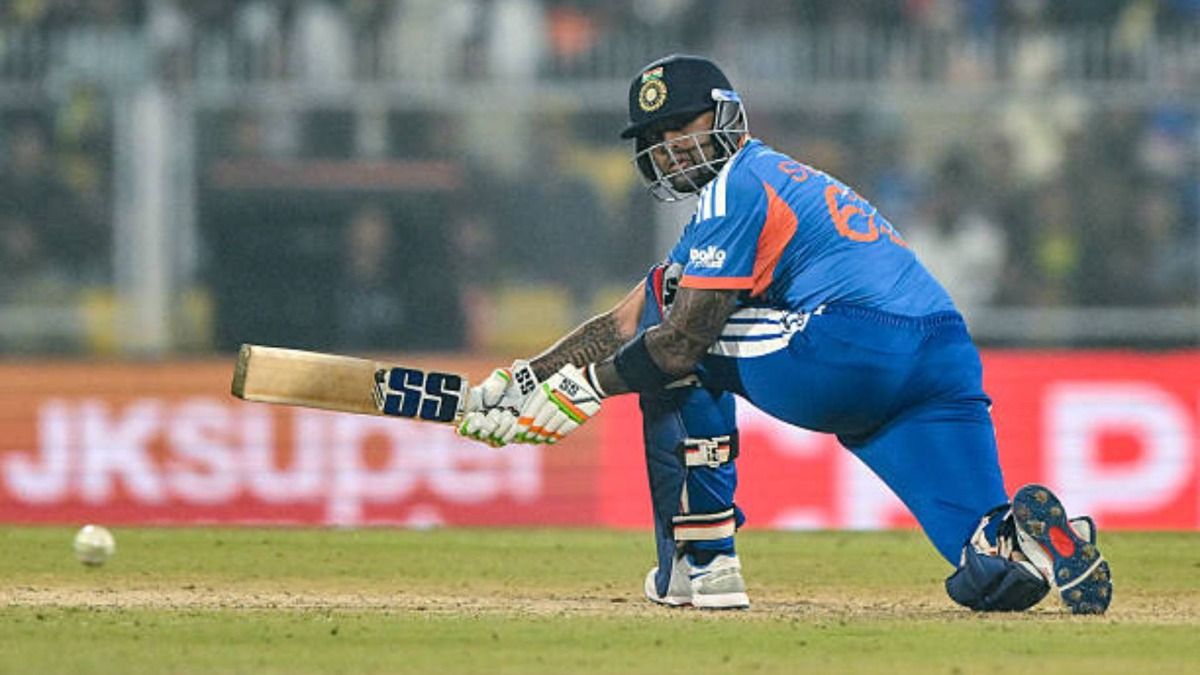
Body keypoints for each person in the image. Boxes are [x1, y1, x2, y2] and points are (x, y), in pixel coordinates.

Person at [435, 54, 1112, 614]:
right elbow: (620, 318)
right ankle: (1030, 531)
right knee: (987, 574)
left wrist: (579, 391)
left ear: (727, 116)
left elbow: (673, 342)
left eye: (681, 123)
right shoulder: (764, 185)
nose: (670, 144)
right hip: (941, 353)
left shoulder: (736, 185)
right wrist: (524, 379)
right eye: (657, 135)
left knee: (676, 344)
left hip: (849, 345)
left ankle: (702, 562)